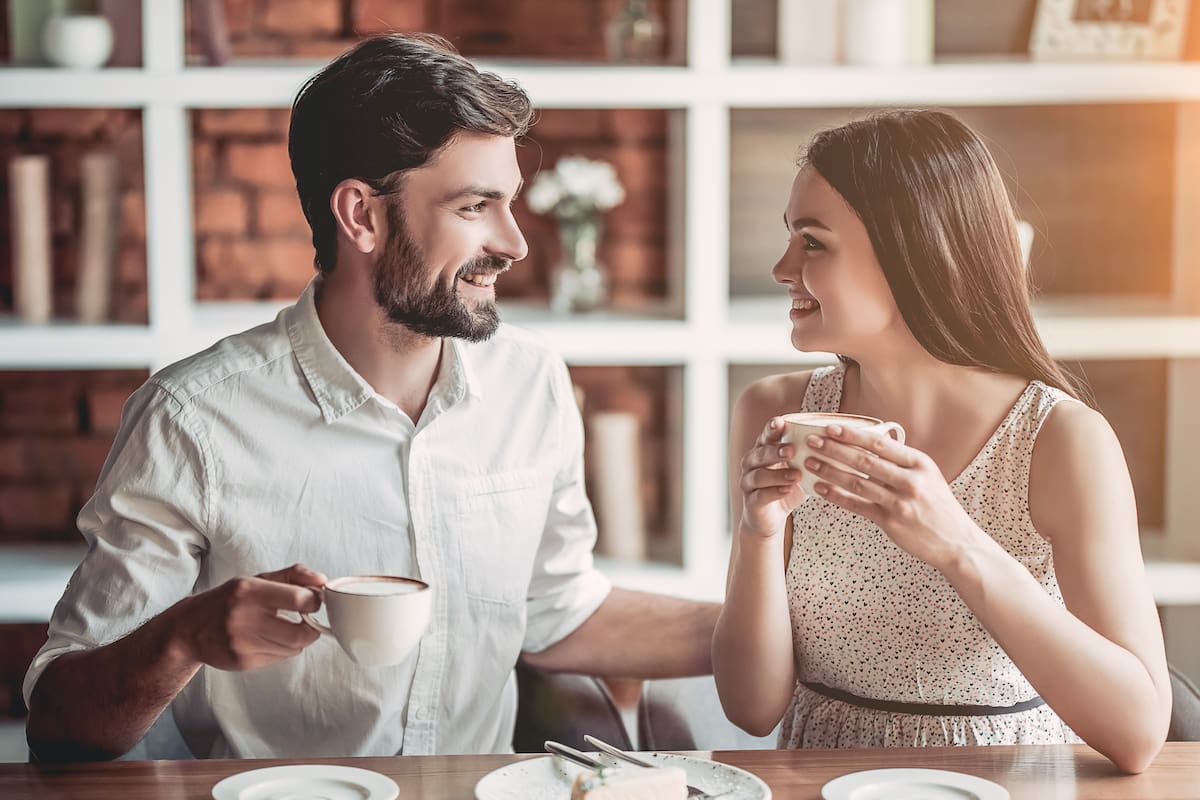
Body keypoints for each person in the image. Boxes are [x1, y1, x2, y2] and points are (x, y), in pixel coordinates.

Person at [24, 32, 718, 762]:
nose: (514, 242)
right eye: (477, 205)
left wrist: (800, 631)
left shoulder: (531, 382)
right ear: (361, 215)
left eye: (508, 202)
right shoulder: (192, 418)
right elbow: (60, 721)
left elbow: (557, 612)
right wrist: (183, 636)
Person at [712, 110, 1171, 773]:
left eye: (812, 243)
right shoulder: (774, 410)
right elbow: (751, 708)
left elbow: (1138, 733)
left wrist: (955, 543)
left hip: (1007, 784)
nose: (784, 267)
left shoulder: (1062, 440)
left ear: (913, 251)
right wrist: (756, 533)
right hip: (822, 783)